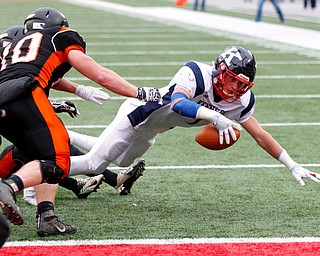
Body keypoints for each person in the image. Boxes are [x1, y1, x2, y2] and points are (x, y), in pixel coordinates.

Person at [0, 6, 161, 236]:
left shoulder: (15, 44)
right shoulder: (62, 35)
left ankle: (47, 216)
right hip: (26, 93)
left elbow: (29, 71)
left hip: (4, 99)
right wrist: (139, 92)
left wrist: (78, 90)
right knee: (58, 160)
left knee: (40, 155)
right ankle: (8, 186)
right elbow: (100, 74)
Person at [68, 45, 320, 189]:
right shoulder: (196, 72)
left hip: (154, 130)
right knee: (94, 165)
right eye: (231, 80)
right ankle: (40, 169)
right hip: (138, 114)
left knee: (119, 159)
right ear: (220, 70)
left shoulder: (240, 101)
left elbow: (261, 135)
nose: (234, 89)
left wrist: (291, 164)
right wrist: (215, 117)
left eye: (240, 84)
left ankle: (65, 135)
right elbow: (178, 103)